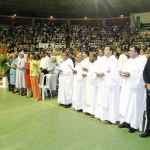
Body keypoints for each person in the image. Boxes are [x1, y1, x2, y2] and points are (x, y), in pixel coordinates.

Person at [119, 46, 147, 133]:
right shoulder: (128, 61)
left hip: (136, 88)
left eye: (131, 51)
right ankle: (127, 121)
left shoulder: (142, 61)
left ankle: (134, 125)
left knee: (135, 106)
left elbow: (141, 75)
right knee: (127, 104)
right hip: (127, 87)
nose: (129, 52)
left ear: (136, 52)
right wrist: (123, 74)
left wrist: (130, 75)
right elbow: (124, 70)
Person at [94, 46, 120, 124]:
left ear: (111, 51)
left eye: (106, 49)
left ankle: (111, 118)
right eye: (104, 49)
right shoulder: (104, 60)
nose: (105, 51)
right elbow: (102, 70)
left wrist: (104, 74)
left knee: (111, 101)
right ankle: (104, 116)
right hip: (103, 83)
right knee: (103, 100)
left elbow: (114, 73)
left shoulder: (114, 61)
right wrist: (99, 74)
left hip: (111, 85)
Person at [139, 57, 150, 137]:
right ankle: (148, 130)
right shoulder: (149, 59)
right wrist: (148, 83)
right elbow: (145, 72)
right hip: (149, 88)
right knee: (149, 109)